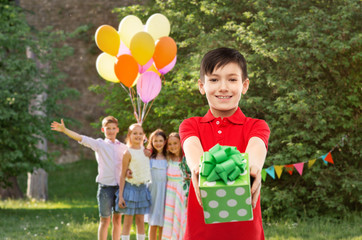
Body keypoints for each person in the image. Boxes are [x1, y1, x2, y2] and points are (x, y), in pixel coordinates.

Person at [179, 47, 271, 240]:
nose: (223, 87)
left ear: (244, 85)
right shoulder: (191, 125)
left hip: (246, 235)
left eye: (232, 79)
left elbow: (257, 147)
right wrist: (197, 169)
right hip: (200, 234)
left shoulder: (256, 126)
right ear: (202, 85)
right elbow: (191, 148)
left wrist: (253, 168)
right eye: (214, 80)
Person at [51, 116, 128, 240]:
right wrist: (65, 130)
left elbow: (135, 155)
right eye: (108, 128)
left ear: (117, 130)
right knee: (104, 220)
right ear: (103, 130)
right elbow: (81, 138)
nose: (111, 131)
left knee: (118, 219)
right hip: (105, 188)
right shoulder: (99, 144)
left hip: (120, 189)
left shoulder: (123, 147)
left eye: (113, 128)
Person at [117, 123, 152, 240]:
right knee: (127, 221)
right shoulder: (127, 152)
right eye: (134, 133)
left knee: (140, 221)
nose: (138, 135)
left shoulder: (145, 151)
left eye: (140, 133)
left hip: (142, 189)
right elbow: (122, 175)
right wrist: (121, 196)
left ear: (144, 136)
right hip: (130, 189)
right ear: (129, 135)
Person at [162, 132, 189, 240]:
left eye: (175, 143)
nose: (172, 146)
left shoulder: (186, 159)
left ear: (181, 143)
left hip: (183, 194)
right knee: (171, 219)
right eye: (170, 144)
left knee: (183, 218)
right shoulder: (167, 159)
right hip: (170, 195)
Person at [145, 129, 168, 240]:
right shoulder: (149, 158)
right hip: (153, 192)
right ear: (151, 142)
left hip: (165, 191)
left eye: (160, 141)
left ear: (165, 142)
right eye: (155, 141)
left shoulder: (168, 158)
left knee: (163, 222)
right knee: (153, 221)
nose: (158, 143)